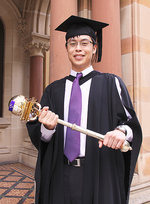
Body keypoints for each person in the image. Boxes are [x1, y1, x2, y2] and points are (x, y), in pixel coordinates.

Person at [26, 15, 142, 204]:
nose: (78, 48)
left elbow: (131, 125)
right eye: (72, 43)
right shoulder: (53, 90)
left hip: (99, 171)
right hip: (60, 174)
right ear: (66, 49)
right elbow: (42, 139)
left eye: (84, 43)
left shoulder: (112, 84)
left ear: (94, 48)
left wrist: (121, 132)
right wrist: (47, 128)